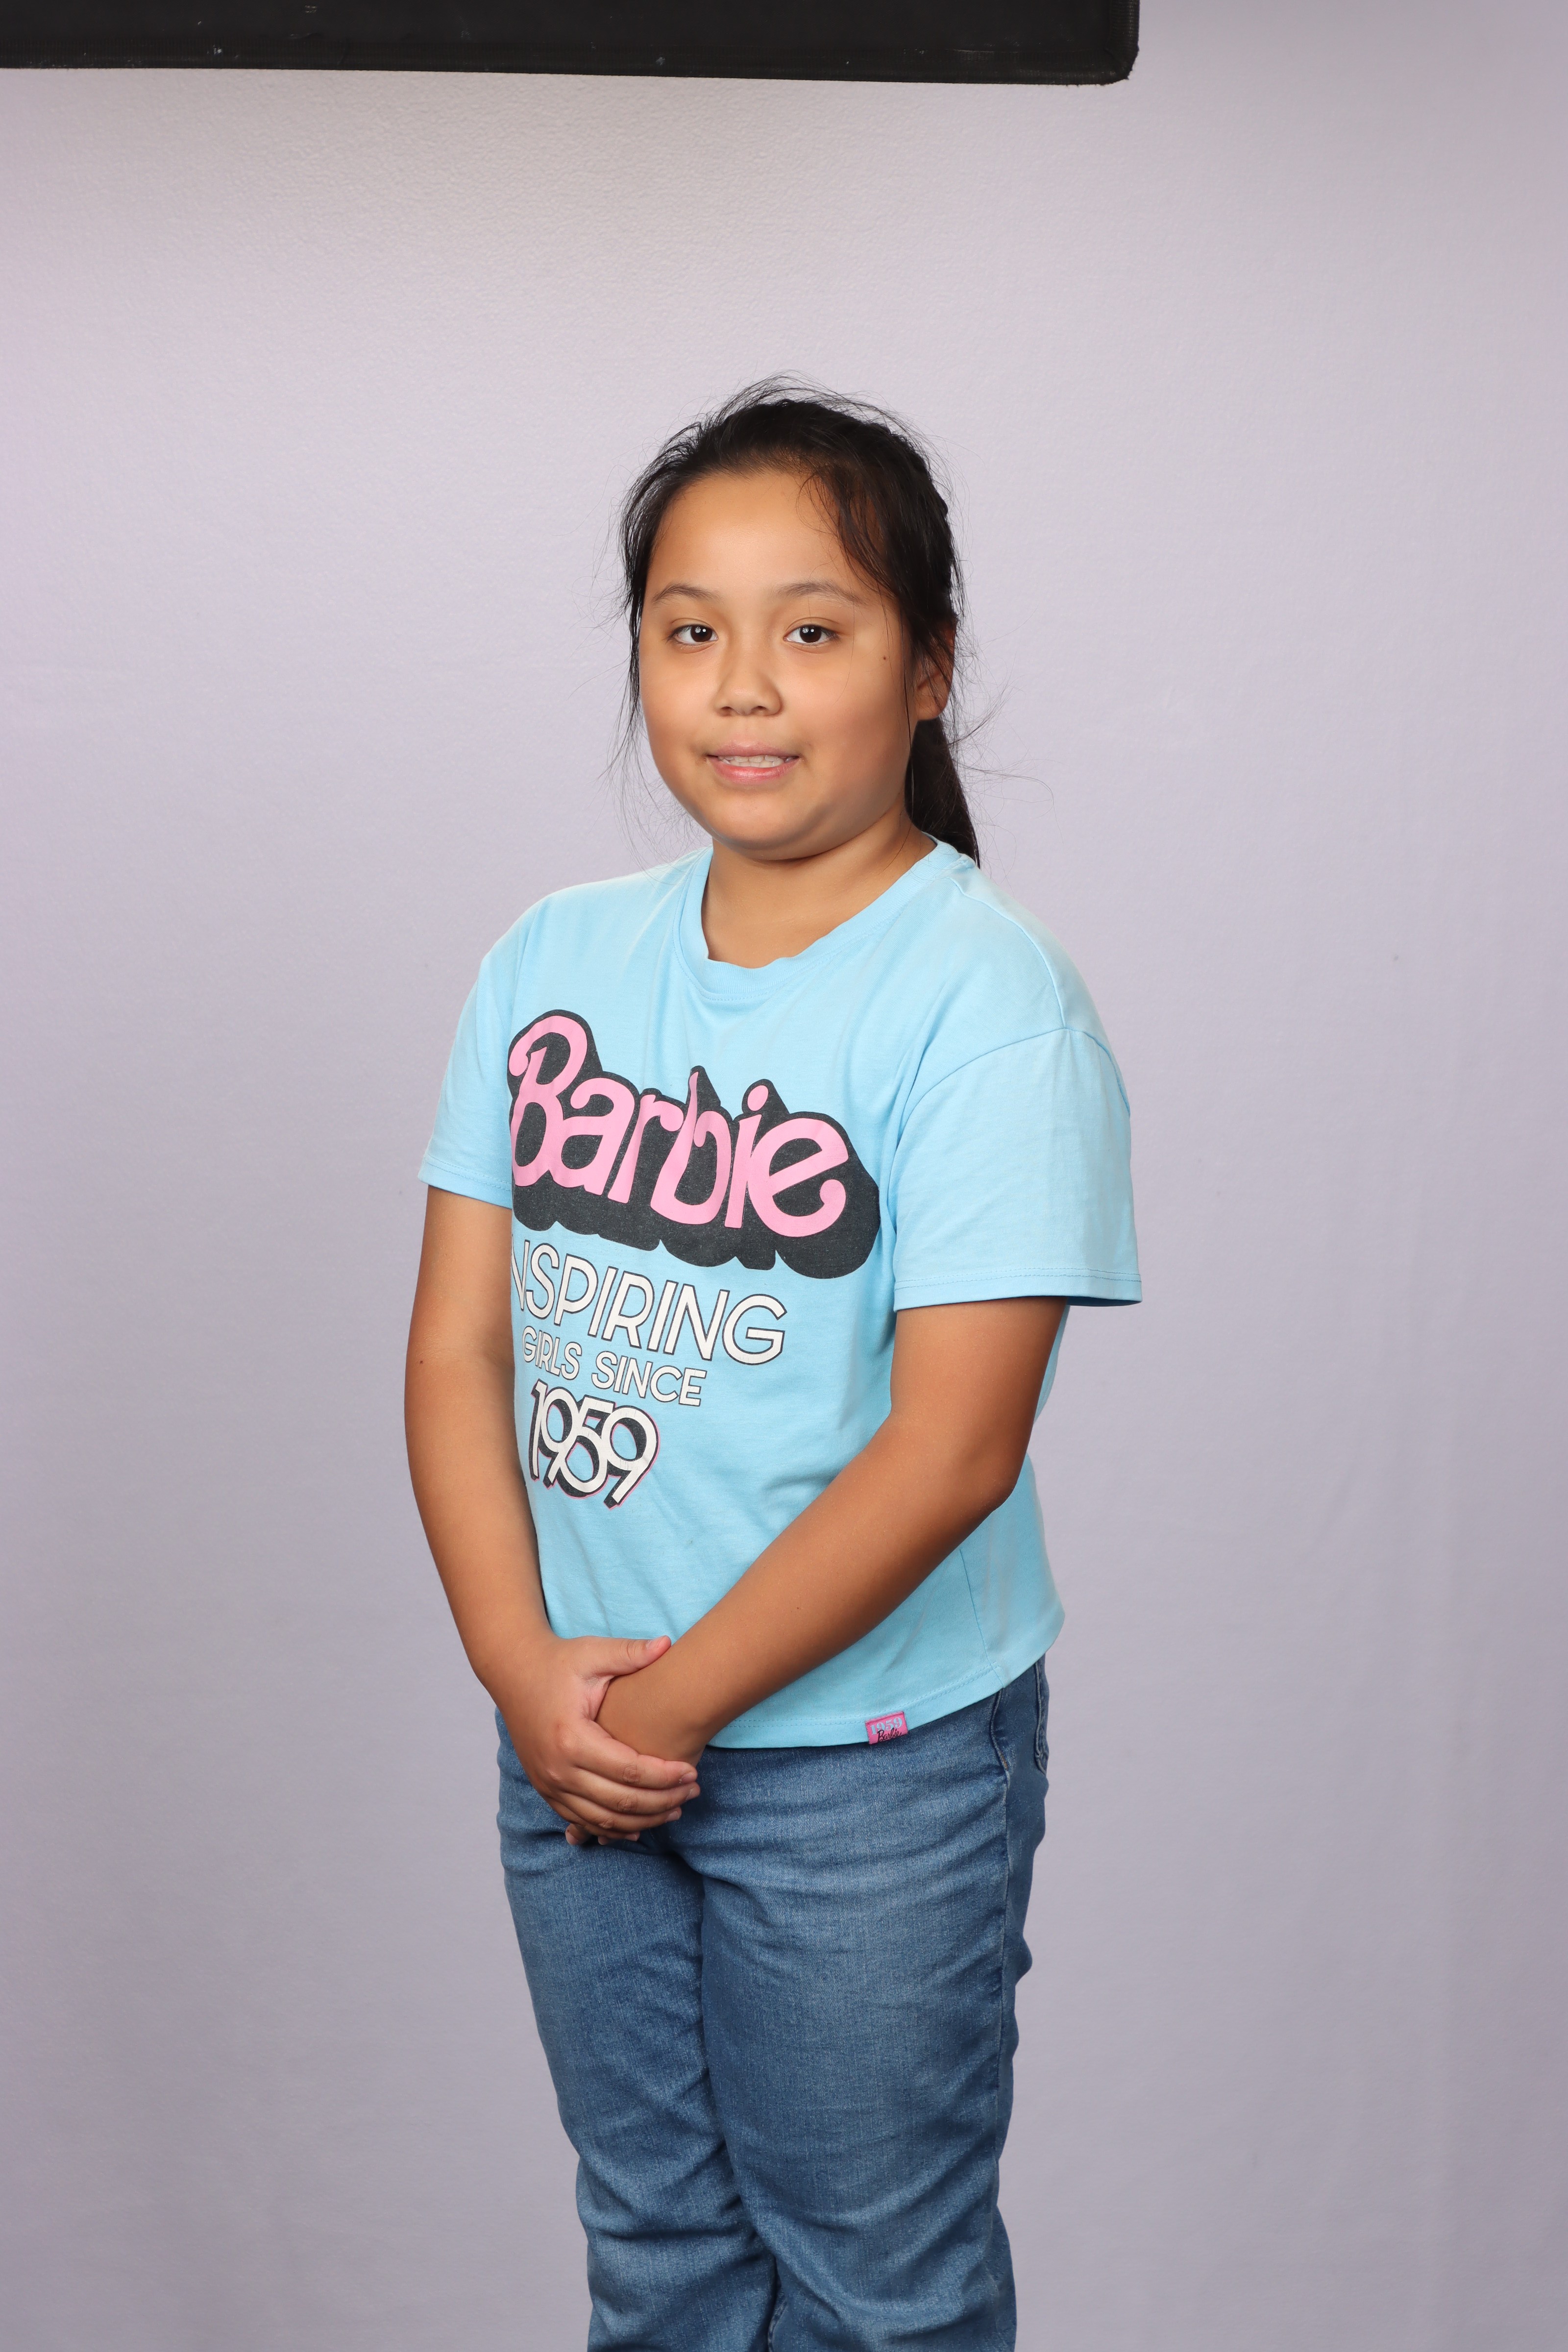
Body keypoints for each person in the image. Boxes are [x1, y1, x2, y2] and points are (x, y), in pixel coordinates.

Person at [405, 382, 1141, 2352]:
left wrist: (653, 1719)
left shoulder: (984, 1004)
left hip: (862, 1771)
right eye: (689, 629)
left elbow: (952, 1453)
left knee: (870, 2287)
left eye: (812, 629)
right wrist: (520, 1671)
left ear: (928, 668)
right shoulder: (549, 962)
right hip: (573, 1734)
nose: (742, 685)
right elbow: (459, 1342)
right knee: (655, 2250)